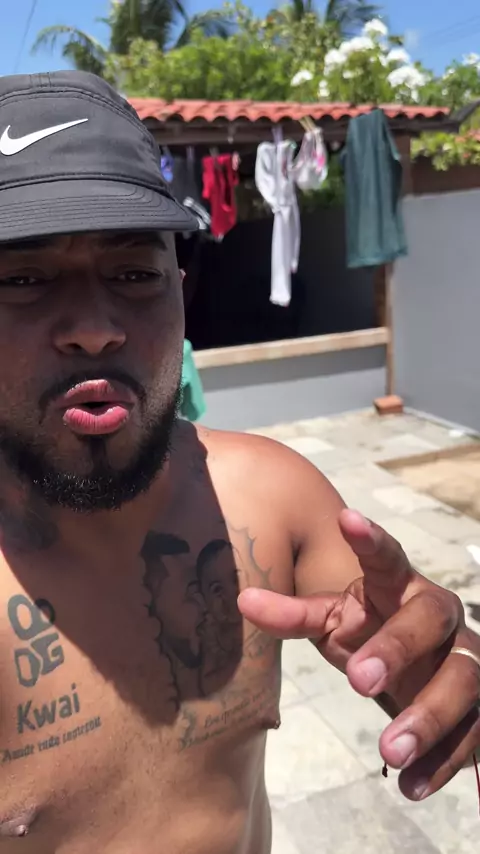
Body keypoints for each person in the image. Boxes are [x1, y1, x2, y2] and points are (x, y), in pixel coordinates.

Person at [0, 70, 478, 852]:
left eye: (134, 274)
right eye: (24, 278)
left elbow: (417, 647)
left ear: (180, 293)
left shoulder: (271, 497)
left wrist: (448, 666)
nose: (94, 326)